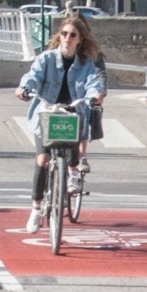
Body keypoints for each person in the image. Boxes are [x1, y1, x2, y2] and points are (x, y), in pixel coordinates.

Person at [17, 12, 107, 233]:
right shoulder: (46, 59)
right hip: (47, 112)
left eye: (73, 35)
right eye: (64, 34)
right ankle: (36, 209)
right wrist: (25, 88)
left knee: (78, 135)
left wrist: (96, 93)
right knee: (43, 159)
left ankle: (73, 171)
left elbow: (93, 81)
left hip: (72, 111)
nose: (67, 38)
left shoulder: (86, 64)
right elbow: (33, 75)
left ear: (80, 39)